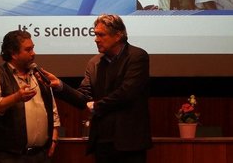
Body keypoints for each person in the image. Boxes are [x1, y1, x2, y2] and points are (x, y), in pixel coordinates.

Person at [39, 14, 151, 163]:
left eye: (101, 35)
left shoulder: (137, 56)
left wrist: (97, 105)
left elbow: (127, 92)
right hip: (102, 142)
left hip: (129, 142)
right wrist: (60, 85)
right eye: (95, 34)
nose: (96, 39)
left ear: (118, 36)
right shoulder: (94, 62)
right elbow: (83, 98)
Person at [0, 30, 61, 163]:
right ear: (13, 53)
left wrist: (54, 137)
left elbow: (52, 110)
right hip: (11, 157)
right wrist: (16, 97)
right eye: (28, 50)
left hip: (41, 155)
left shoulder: (38, 75)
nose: (33, 53)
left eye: (33, 48)